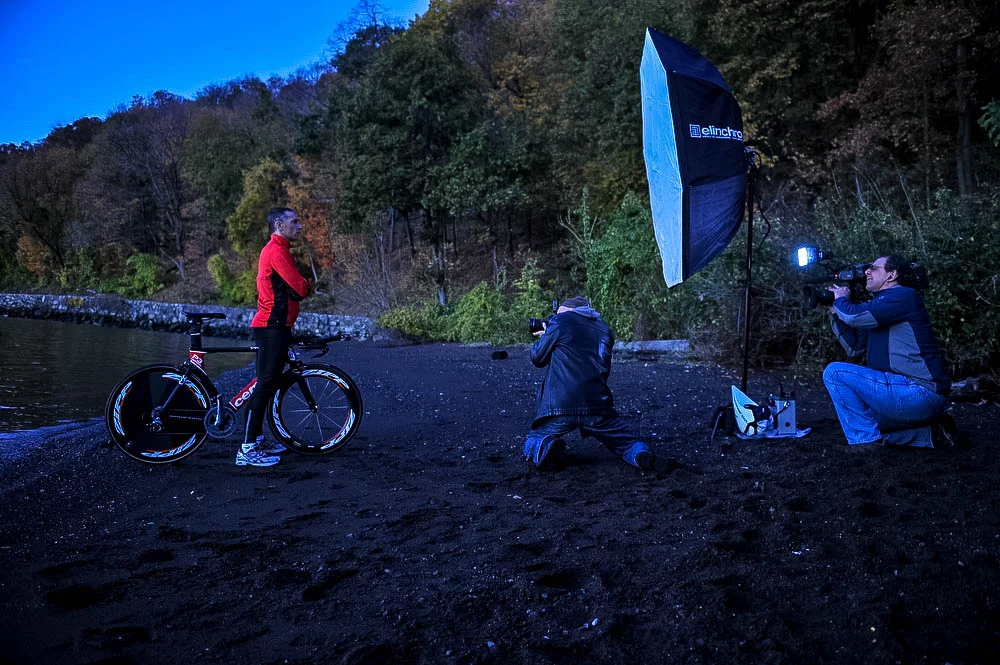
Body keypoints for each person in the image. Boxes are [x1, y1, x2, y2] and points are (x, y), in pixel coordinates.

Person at [822, 254, 958, 450]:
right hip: (904, 393)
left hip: (918, 390)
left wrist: (841, 299)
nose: (867, 271)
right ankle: (930, 435)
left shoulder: (903, 296)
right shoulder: (879, 308)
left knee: (834, 373)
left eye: (874, 268)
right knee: (859, 417)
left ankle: (866, 443)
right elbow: (854, 347)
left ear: (892, 275)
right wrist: (834, 312)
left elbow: (853, 316)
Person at [523, 296, 671, 473]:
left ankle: (545, 446)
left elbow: (537, 358)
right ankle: (641, 457)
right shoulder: (604, 329)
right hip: (596, 403)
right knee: (627, 442)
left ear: (568, 311)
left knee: (534, 438)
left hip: (561, 404)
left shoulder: (560, 321)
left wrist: (547, 334)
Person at [237, 207, 312, 467]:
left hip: (276, 326)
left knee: (266, 384)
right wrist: (307, 284)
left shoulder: (278, 250)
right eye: (295, 222)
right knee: (265, 385)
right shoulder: (277, 252)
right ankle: (247, 449)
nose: (300, 226)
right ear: (279, 225)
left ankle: (256, 439)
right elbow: (301, 287)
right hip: (271, 327)